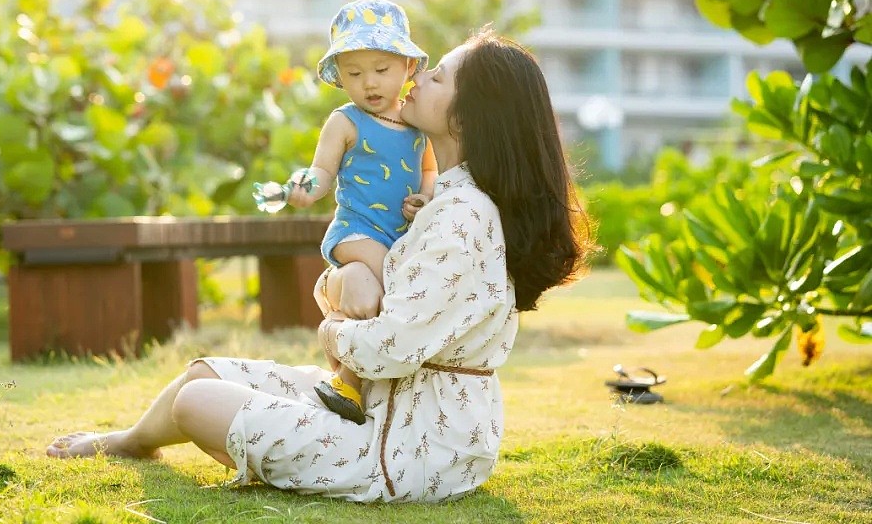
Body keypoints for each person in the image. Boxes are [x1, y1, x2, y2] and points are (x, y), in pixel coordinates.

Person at [46, 27, 593, 503]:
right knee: (202, 373)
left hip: (409, 450)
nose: (418, 76)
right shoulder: (435, 201)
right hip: (376, 408)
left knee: (197, 401)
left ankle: (241, 451)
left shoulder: (461, 217)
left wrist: (333, 322)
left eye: (440, 77)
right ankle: (130, 440)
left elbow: (390, 348)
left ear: (470, 117)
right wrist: (341, 282)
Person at [281, 0, 437, 424]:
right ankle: (346, 371)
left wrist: (424, 197)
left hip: (396, 237)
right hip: (356, 233)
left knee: (371, 302)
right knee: (397, 284)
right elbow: (321, 172)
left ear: (407, 68)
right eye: (354, 73)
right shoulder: (345, 121)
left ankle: (347, 380)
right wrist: (303, 187)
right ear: (340, 78)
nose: (369, 83)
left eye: (381, 70)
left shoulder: (417, 124)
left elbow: (429, 170)